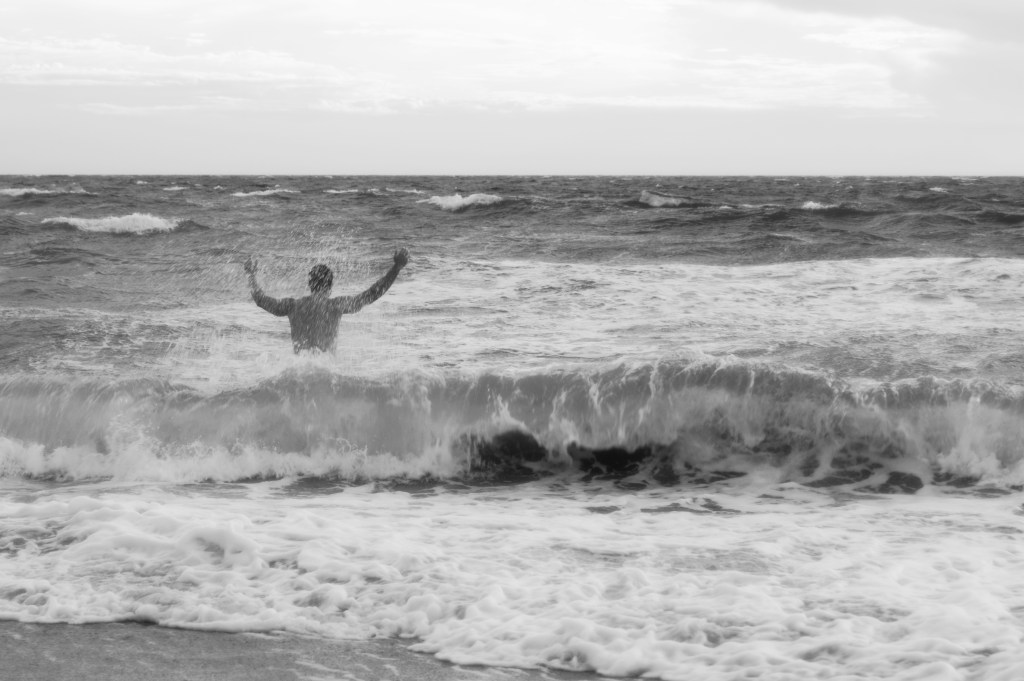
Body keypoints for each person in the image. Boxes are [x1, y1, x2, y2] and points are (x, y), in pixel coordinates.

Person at [244, 248, 409, 353]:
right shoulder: (336, 306)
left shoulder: (292, 306)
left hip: (300, 376)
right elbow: (372, 294)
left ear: (310, 285)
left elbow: (260, 300)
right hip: (325, 376)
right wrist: (396, 268)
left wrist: (251, 274)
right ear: (330, 287)